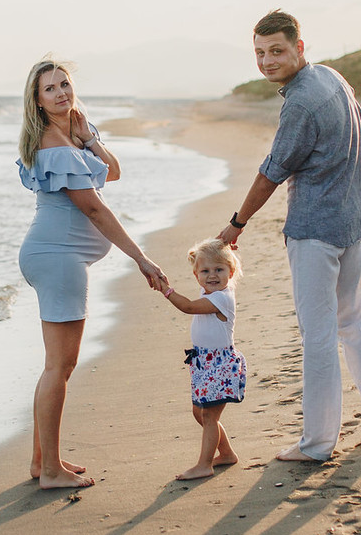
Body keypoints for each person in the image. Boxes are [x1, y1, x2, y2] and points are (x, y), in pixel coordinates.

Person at [218, 10, 361, 461]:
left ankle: (317, 445)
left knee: (318, 337)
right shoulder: (331, 78)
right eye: (260, 53)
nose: (267, 61)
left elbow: (271, 173)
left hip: (316, 232)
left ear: (299, 47)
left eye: (276, 51)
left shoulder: (300, 102)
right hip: (352, 220)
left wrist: (236, 224)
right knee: (354, 327)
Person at [17, 58, 169, 489]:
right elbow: (95, 209)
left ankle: (41, 461)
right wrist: (142, 258)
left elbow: (114, 173)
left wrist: (92, 139)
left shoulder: (71, 136)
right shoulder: (51, 143)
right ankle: (50, 471)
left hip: (55, 256)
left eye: (65, 84)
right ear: (38, 100)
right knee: (59, 367)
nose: (61, 93)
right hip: (57, 257)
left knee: (56, 367)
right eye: (50, 89)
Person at [160, 238, 247, 481]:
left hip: (219, 365)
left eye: (219, 270)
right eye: (205, 271)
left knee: (209, 415)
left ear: (231, 272)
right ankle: (227, 453)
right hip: (204, 363)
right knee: (200, 412)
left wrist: (166, 290)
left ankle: (204, 464)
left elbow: (187, 307)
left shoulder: (221, 298)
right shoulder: (209, 291)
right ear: (196, 275)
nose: (212, 276)